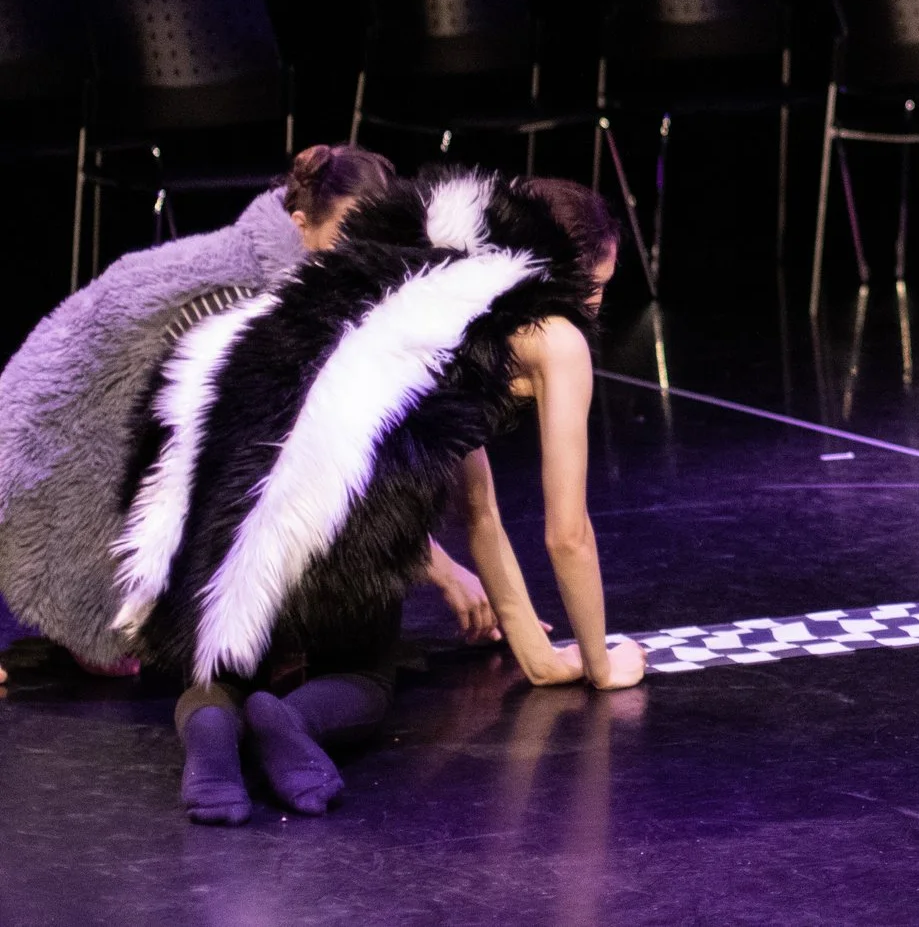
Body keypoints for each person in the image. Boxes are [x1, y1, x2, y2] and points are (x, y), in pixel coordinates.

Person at [39, 167, 637, 823]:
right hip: (340, 518)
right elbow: (567, 533)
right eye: (597, 287)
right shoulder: (558, 340)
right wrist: (600, 661)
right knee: (364, 678)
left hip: (228, 494)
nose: (596, 306)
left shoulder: (436, 298)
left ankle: (214, 733)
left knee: (220, 674)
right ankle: (289, 718)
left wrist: (537, 655)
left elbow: (479, 507)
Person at [0, 144, 442, 685]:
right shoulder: (248, 296)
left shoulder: (296, 276)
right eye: (350, 230)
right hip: (65, 422)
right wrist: (436, 564)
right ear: (300, 224)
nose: (365, 247)